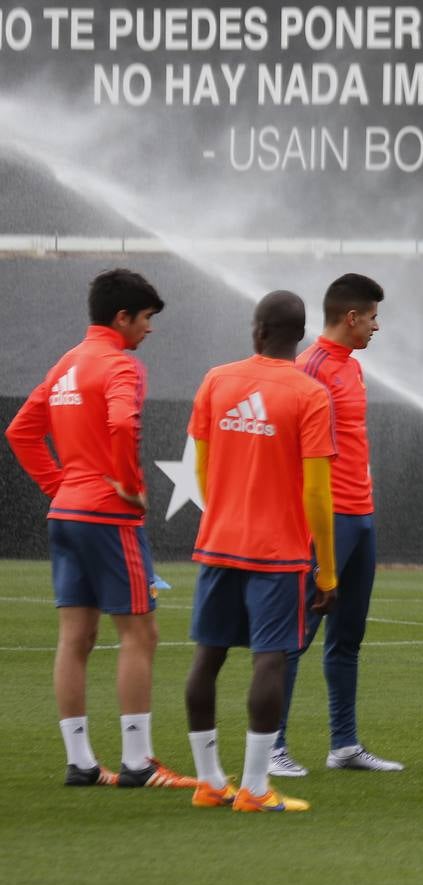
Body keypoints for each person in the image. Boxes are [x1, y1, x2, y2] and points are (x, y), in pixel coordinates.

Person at [5, 269, 194, 790]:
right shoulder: (121, 366)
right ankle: (138, 763)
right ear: (122, 318)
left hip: (66, 515)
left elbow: (20, 431)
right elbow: (122, 424)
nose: (149, 330)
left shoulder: (67, 362)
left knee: (75, 638)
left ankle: (82, 763)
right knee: (140, 634)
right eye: (147, 319)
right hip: (108, 516)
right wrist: (130, 486)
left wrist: (57, 485)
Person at [182, 291, 338, 813]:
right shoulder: (310, 394)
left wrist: (226, 513)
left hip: (219, 542)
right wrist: (329, 574)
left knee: (208, 657)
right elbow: (318, 493)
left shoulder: (216, 380)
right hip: (278, 553)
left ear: (257, 330)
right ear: (301, 338)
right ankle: (253, 789)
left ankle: (208, 782)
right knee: (269, 661)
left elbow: (202, 471)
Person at [269, 274, 402, 778]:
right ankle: (273, 745)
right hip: (325, 522)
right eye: (371, 317)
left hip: (361, 518)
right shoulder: (312, 367)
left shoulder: (353, 368)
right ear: (351, 317)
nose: (376, 326)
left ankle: (344, 745)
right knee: (295, 635)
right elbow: (289, 450)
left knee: (348, 638)